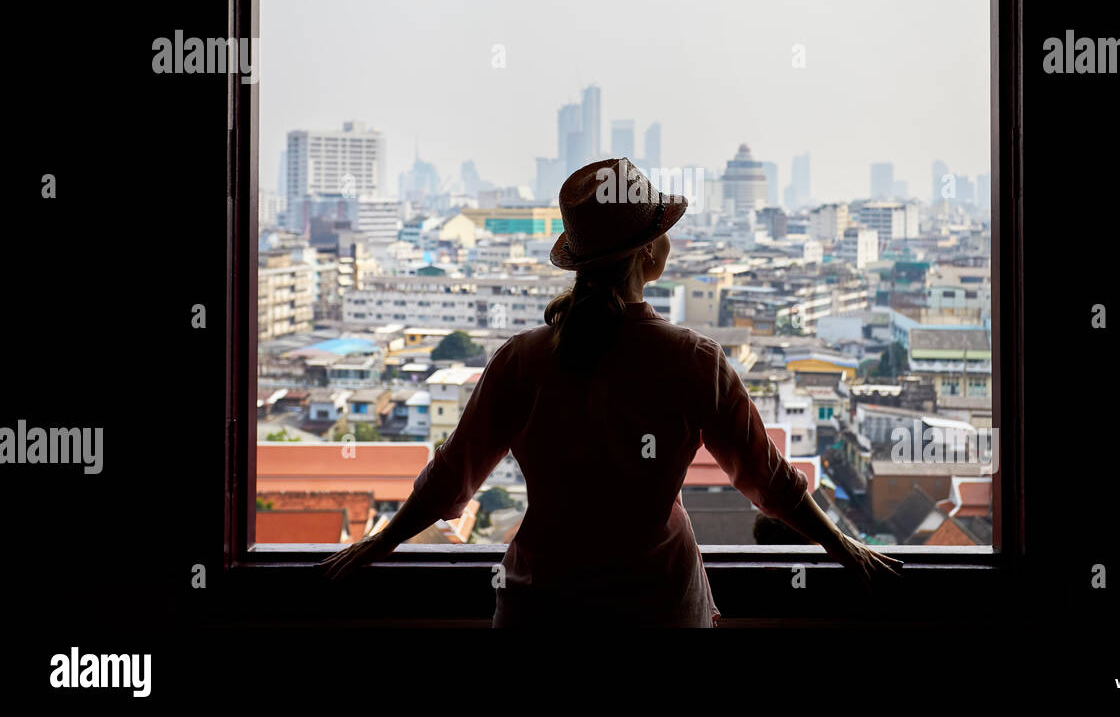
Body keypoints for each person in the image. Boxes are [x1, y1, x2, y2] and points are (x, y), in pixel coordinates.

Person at [320, 158, 902, 624]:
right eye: (662, 231)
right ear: (648, 254)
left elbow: (449, 485)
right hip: (657, 608)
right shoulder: (692, 361)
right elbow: (770, 483)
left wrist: (369, 547)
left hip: (542, 607)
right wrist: (845, 548)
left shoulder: (522, 361)